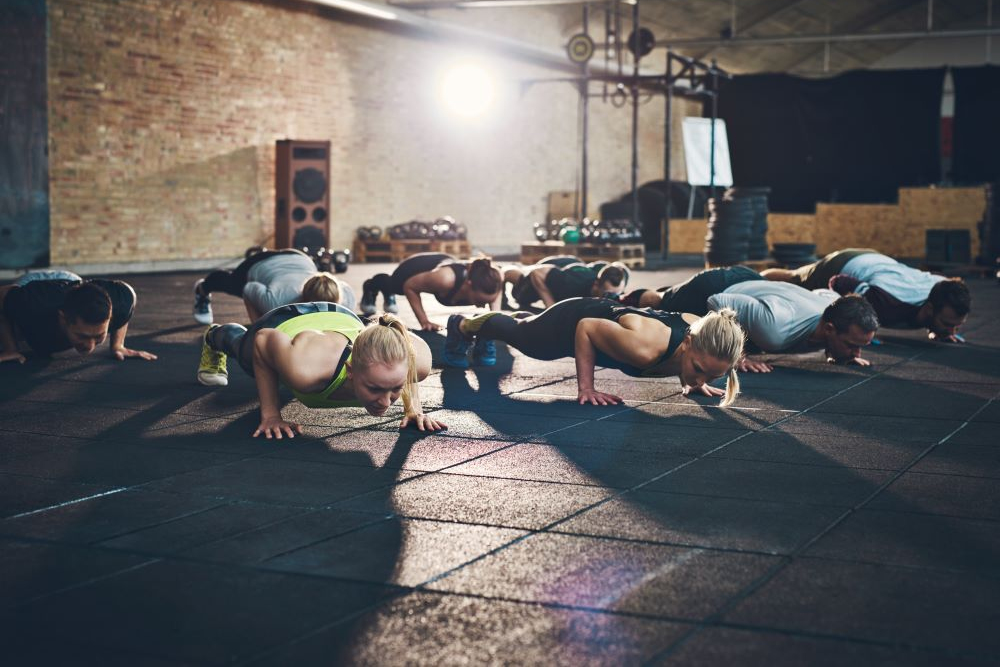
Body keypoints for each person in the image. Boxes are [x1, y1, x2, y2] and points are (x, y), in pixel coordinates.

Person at [196, 303, 444, 438]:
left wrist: (414, 410)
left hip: (341, 316)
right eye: (374, 388)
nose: (385, 402)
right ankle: (215, 335)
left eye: (395, 389)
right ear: (350, 371)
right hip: (286, 322)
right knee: (245, 350)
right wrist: (271, 415)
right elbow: (263, 340)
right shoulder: (305, 370)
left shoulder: (416, 362)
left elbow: (405, 348)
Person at [442, 297, 746, 407]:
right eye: (698, 369)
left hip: (608, 317)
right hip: (572, 319)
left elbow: (700, 354)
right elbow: (586, 327)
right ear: (688, 344)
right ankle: (464, 324)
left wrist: (696, 379)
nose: (701, 377)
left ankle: (496, 327)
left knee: (522, 328)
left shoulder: (704, 332)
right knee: (525, 339)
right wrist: (586, 388)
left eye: (712, 375)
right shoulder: (644, 349)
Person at [760, 248, 971, 342]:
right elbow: (838, 282)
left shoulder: (942, 288)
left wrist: (942, 329)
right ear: (929, 309)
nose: (952, 329)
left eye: (956, 325)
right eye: (947, 323)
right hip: (846, 263)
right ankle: (751, 280)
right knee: (794, 279)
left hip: (879, 261)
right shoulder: (887, 303)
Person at [705, 281, 880, 372]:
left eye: (859, 347)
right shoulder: (776, 329)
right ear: (828, 329)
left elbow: (823, 292)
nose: (857, 354)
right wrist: (736, 355)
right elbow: (717, 301)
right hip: (720, 285)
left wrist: (838, 349)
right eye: (851, 345)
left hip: (761, 289)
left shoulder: (834, 307)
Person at [0, 271, 156, 364]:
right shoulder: (33, 303)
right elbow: (2, 294)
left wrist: (118, 345)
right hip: (37, 282)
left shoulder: (120, 304)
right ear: (63, 318)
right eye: (82, 336)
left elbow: (128, 295)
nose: (90, 346)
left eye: (99, 337)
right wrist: (10, 348)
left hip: (74, 281)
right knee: (18, 330)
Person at [192, 248, 356, 324]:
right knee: (232, 284)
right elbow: (249, 288)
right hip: (259, 262)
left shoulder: (347, 297)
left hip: (299, 257)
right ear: (304, 299)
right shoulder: (277, 302)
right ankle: (202, 290)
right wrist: (258, 326)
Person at [361, 253, 503, 331]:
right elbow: (409, 286)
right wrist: (424, 321)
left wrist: (496, 319)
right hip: (415, 266)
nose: (484, 306)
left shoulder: (493, 279)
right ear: (469, 285)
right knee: (397, 286)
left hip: (441, 264)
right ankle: (371, 286)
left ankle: (387, 292)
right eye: (480, 301)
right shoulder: (444, 280)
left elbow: (497, 290)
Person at [619, 265, 765, 312]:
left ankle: (620, 299)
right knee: (662, 302)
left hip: (744, 275)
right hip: (716, 290)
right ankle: (616, 300)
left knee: (665, 297)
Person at [505, 259, 630, 310]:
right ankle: (502, 269)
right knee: (520, 280)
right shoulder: (573, 283)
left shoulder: (614, 289)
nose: (610, 299)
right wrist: (551, 306)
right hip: (538, 279)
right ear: (596, 284)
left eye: (614, 295)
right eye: (607, 294)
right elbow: (537, 273)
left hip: (570, 266)